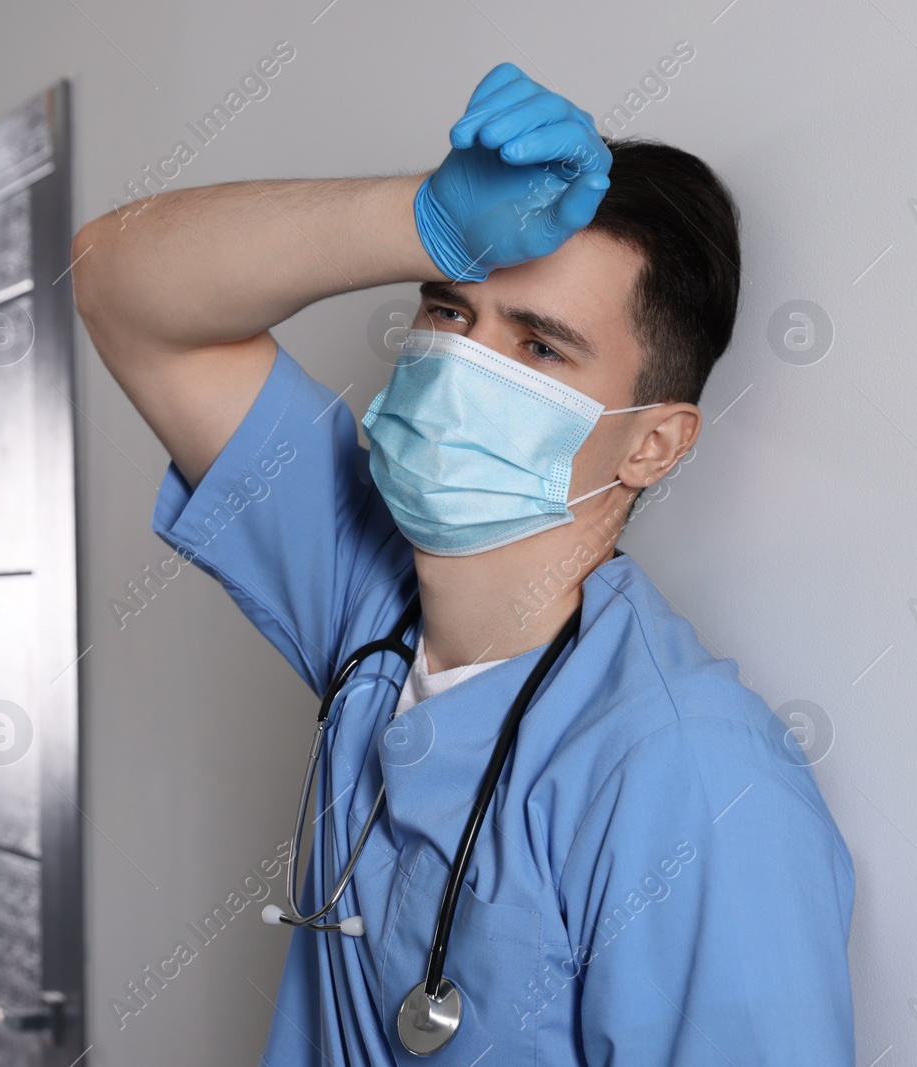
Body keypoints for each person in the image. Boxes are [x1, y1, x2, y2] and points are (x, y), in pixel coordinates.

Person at [71, 62, 854, 1066]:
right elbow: (117, 284)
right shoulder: (370, 599)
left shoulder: (695, 782)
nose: (462, 365)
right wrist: (426, 219)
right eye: (449, 311)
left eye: (537, 347)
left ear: (651, 443)